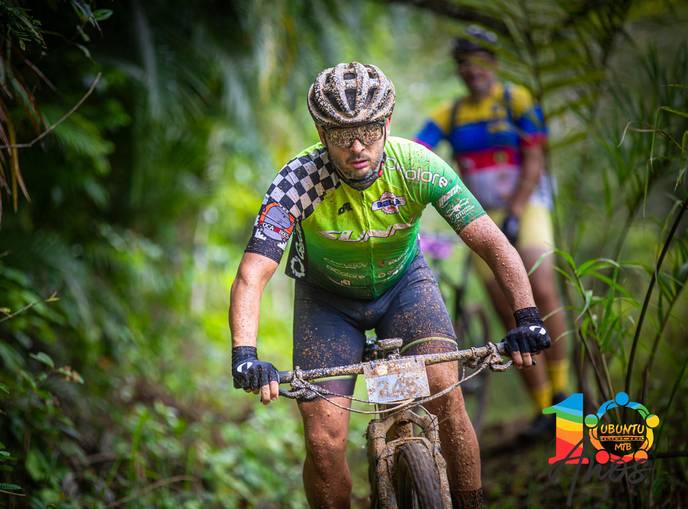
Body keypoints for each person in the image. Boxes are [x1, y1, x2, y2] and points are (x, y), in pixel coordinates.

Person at [229, 61, 551, 509]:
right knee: (323, 439)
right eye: (341, 135)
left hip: (405, 287)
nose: (357, 146)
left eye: (368, 131)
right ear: (321, 133)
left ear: (388, 123)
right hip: (327, 302)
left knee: (445, 392)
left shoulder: (417, 166)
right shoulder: (297, 181)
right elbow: (253, 273)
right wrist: (245, 354)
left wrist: (527, 317)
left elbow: (493, 244)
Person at [415, 26, 569, 439]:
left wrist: (516, 211)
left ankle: (564, 392)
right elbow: (415, 148)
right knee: (507, 309)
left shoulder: (517, 100)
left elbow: (534, 158)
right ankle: (544, 410)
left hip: (527, 204)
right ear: (458, 69)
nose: (473, 69)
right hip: (482, 216)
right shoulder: (450, 114)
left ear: (494, 63)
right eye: (464, 62)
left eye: (480, 60)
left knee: (542, 292)